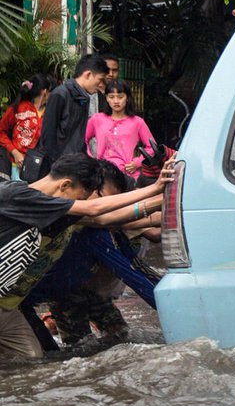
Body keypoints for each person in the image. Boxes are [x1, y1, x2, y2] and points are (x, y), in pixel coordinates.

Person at [0, 153, 171, 358]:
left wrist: (164, 198)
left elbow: (103, 218)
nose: (81, 204)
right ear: (64, 185)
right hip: (30, 299)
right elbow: (93, 209)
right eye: (80, 198)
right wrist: (156, 188)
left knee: (31, 361)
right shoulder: (15, 196)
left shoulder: (54, 210)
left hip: (8, 306)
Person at [26, 54, 107, 180]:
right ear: (88, 75)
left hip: (73, 167)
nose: (101, 85)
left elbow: (79, 137)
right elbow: (48, 135)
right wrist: (56, 168)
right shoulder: (60, 94)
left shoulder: (84, 98)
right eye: (100, 80)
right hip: (57, 170)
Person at [86, 79, 157, 178]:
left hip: (127, 175)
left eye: (120, 97)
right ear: (106, 98)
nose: (116, 101)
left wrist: (137, 163)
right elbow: (83, 140)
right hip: (102, 173)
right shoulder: (97, 119)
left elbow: (152, 147)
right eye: (111, 97)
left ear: (127, 98)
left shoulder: (137, 122)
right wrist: (91, 160)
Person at [0, 73, 55, 179]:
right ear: (45, 92)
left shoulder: (50, 113)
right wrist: (15, 152)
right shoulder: (18, 108)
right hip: (15, 165)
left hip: (39, 167)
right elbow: (1, 131)